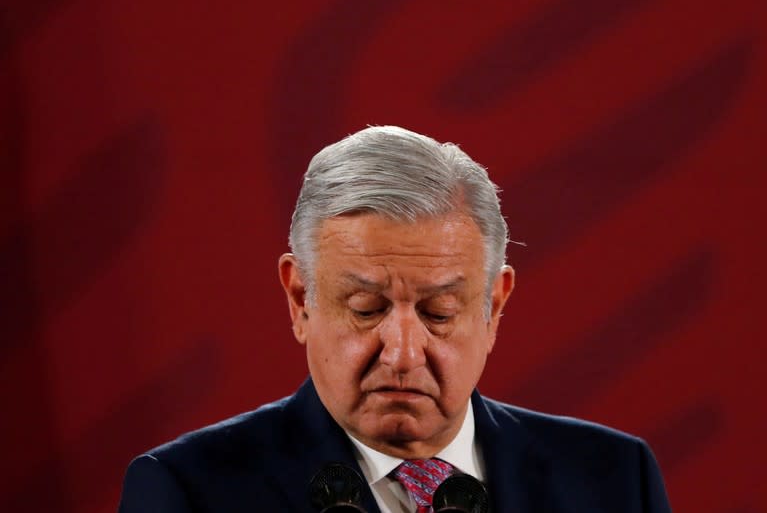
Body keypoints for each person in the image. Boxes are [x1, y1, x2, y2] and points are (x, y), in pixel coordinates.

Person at [118, 126, 671, 512]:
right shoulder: (188, 491)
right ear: (300, 298)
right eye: (366, 309)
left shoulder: (616, 479)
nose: (403, 353)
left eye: (439, 312)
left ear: (494, 306)